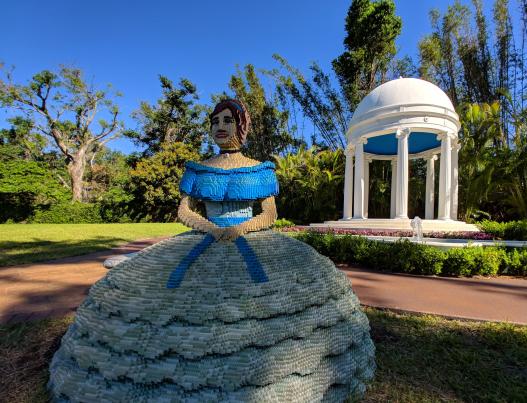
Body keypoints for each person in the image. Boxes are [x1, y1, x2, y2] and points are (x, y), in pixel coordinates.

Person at [49, 99, 375, 402]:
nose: (221, 126)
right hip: (204, 237)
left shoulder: (259, 169)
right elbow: (185, 211)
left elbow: (269, 214)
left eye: (228, 120)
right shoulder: (199, 169)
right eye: (215, 121)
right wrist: (210, 228)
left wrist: (238, 229)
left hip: (250, 238)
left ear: (242, 126)